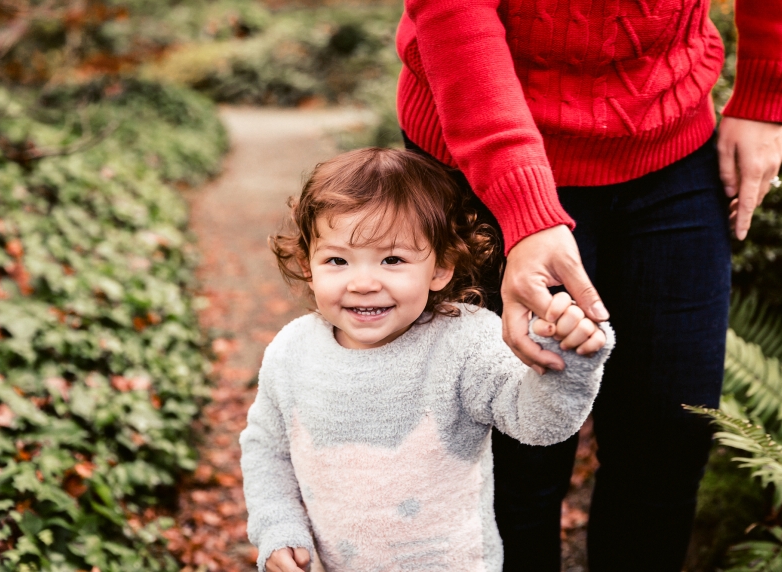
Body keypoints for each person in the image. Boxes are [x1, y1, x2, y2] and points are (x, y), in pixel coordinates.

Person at [395, 0, 782, 570]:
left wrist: (767, 91)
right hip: (478, 155)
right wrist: (524, 204)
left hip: (673, 141)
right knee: (510, 461)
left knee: (668, 440)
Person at [239, 148, 614, 572]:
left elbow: (540, 424)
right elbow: (266, 450)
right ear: (309, 265)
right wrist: (279, 528)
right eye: (337, 260)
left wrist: (567, 363)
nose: (363, 283)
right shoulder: (292, 351)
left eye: (392, 260)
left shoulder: (465, 342)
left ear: (441, 267)